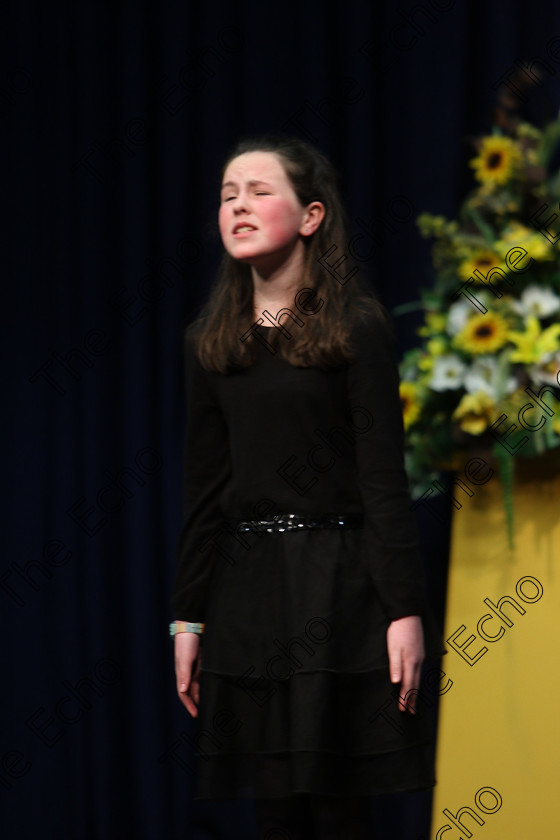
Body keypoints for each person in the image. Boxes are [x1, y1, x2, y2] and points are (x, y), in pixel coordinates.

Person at [170, 135, 441, 839]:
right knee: (275, 804)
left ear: (312, 216)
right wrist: (188, 617)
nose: (239, 206)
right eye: (229, 194)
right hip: (250, 591)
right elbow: (205, 490)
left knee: (341, 801)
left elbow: (384, 481)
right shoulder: (210, 342)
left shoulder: (355, 329)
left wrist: (403, 611)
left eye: (260, 191)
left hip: (340, 587)